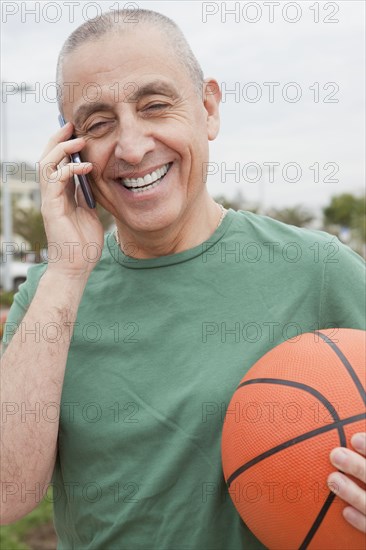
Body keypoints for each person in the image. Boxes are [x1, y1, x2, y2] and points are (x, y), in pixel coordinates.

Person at [1, 9, 365, 549]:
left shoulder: (318, 270)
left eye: (154, 105)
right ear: (71, 147)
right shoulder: (49, 296)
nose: (131, 147)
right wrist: (68, 268)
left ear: (208, 107)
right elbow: (8, 497)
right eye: (98, 123)